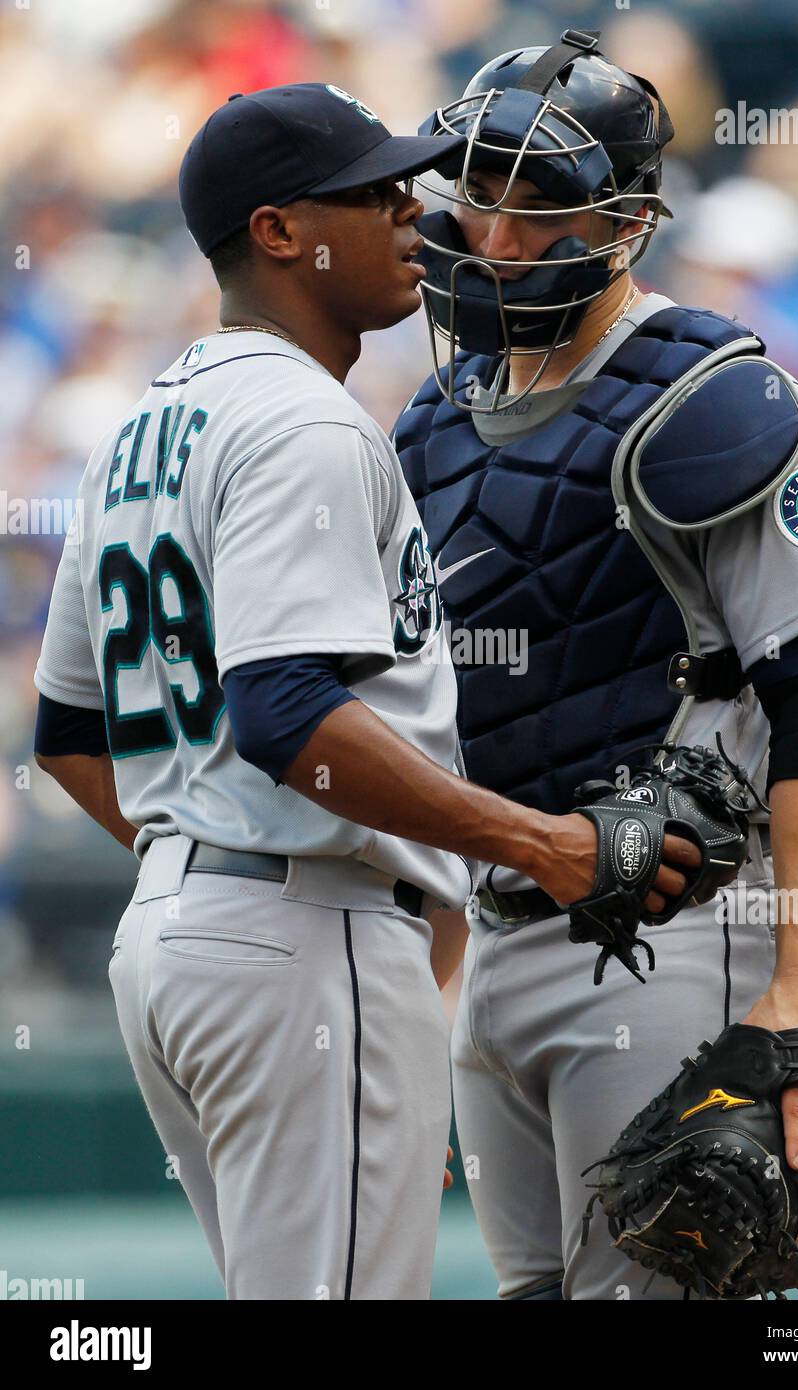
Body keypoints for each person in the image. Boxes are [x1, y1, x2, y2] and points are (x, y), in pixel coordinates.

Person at [31, 81, 698, 1301]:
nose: (413, 211)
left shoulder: (145, 426)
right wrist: (538, 841)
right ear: (280, 232)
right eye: (374, 191)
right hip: (301, 939)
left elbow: (71, 733)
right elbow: (287, 714)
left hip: (184, 948)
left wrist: (199, 867)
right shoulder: (308, 424)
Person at [393, 30, 798, 1300]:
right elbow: (452, 737)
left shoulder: (717, 400)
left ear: (625, 226)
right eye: (479, 184)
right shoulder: (430, 421)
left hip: (667, 939)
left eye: (542, 199)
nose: (498, 234)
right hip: (494, 943)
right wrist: (429, 999)